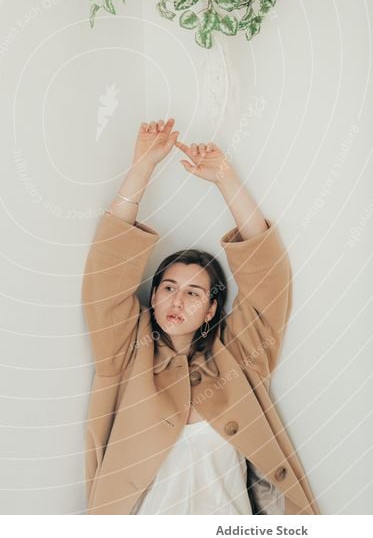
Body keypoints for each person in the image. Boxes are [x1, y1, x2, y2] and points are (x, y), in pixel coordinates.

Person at [81, 117, 320, 515]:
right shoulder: (126, 353)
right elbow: (105, 278)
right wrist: (142, 168)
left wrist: (226, 179)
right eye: (169, 288)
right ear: (152, 295)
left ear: (211, 308)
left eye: (193, 293)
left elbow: (268, 280)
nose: (177, 301)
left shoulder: (239, 355)